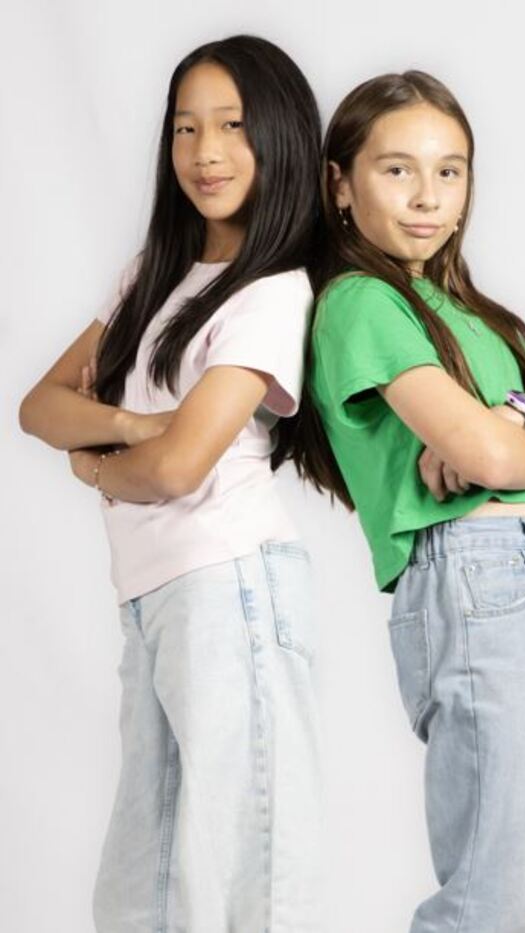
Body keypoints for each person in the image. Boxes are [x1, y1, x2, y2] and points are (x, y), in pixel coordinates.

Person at [294, 69, 525, 931]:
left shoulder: (480, 317)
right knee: (487, 895)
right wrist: (522, 436)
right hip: (478, 579)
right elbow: (497, 452)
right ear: (341, 183)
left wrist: (512, 428)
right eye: (397, 169)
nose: (428, 196)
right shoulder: (359, 302)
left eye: (449, 171)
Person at [19, 34, 323, 933]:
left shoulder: (271, 291)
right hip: (153, 599)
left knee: (249, 877)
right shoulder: (152, 276)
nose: (205, 152)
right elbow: (39, 406)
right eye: (186, 128)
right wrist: (130, 427)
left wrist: (97, 461)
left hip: (231, 586)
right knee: (140, 885)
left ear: (278, 136)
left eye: (231, 126)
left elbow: (180, 467)